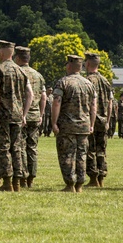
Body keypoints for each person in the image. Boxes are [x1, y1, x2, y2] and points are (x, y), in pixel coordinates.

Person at [0, 40, 32, 192]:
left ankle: (7, 182)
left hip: (3, 115)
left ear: (1, 52)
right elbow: (30, 94)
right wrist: (24, 114)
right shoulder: (21, 71)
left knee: (3, 148)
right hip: (17, 116)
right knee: (17, 148)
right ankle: (17, 182)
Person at [51, 54, 96, 193]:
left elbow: (56, 102)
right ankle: (80, 185)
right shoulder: (89, 83)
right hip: (84, 125)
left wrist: (54, 122)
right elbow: (94, 105)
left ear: (69, 66)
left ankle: (70, 184)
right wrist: (92, 124)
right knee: (82, 155)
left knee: (67, 155)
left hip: (67, 125)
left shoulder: (63, 82)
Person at [14, 46, 46, 188]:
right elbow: (44, 96)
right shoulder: (38, 75)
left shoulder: (17, 73)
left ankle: (22, 176)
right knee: (32, 147)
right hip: (35, 115)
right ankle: (31, 177)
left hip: (21, 115)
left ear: (18, 58)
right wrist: (41, 114)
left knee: (20, 146)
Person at [83, 52, 113, 188]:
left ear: (87, 64)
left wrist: (90, 121)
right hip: (103, 119)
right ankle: (101, 176)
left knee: (90, 149)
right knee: (102, 149)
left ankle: (93, 178)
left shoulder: (88, 81)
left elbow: (88, 103)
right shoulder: (105, 80)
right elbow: (111, 101)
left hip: (92, 119)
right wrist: (107, 120)